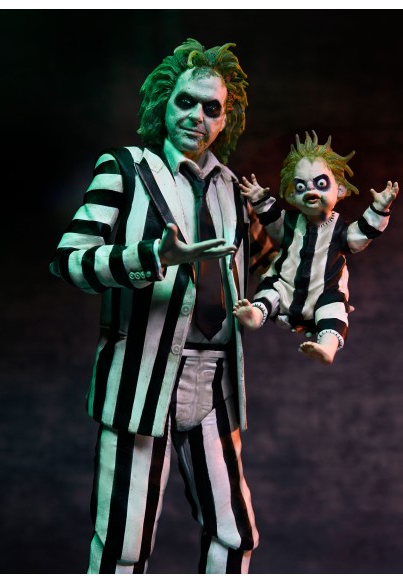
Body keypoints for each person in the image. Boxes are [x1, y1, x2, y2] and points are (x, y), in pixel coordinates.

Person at [49, 38, 277, 574]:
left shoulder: (234, 190)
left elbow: (275, 266)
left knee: (235, 534)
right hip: (142, 378)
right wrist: (152, 255)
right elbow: (69, 261)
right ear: (162, 103)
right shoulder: (125, 169)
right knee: (124, 542)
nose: (197, 116)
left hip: (215, 380)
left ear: (225, 120)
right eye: (185, 101)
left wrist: (315, 280)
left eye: (211, 107)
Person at [233, 131, 400, 365]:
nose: (311, 191)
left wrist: (379, 210)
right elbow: (272, 221)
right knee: (270, 290)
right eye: (301, 186)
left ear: (339, 189)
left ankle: (327, 348)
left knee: (334, 312)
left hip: (325, 293)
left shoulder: (339, 229)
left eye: (321, 184)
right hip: (286, 286)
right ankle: (256, 314)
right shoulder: (290, 222)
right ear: (292, 195)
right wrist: (259, 200)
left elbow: (361, 234)